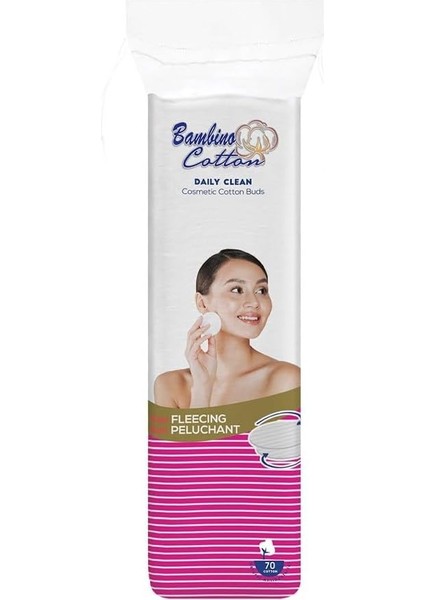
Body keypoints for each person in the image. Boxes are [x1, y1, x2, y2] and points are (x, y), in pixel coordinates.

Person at [154, 249, 300, 408]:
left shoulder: (287, 380)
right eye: (237, 290)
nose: (254, 302)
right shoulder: (170, 386)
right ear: (202, 303)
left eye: (261, 291)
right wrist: (202, 388)